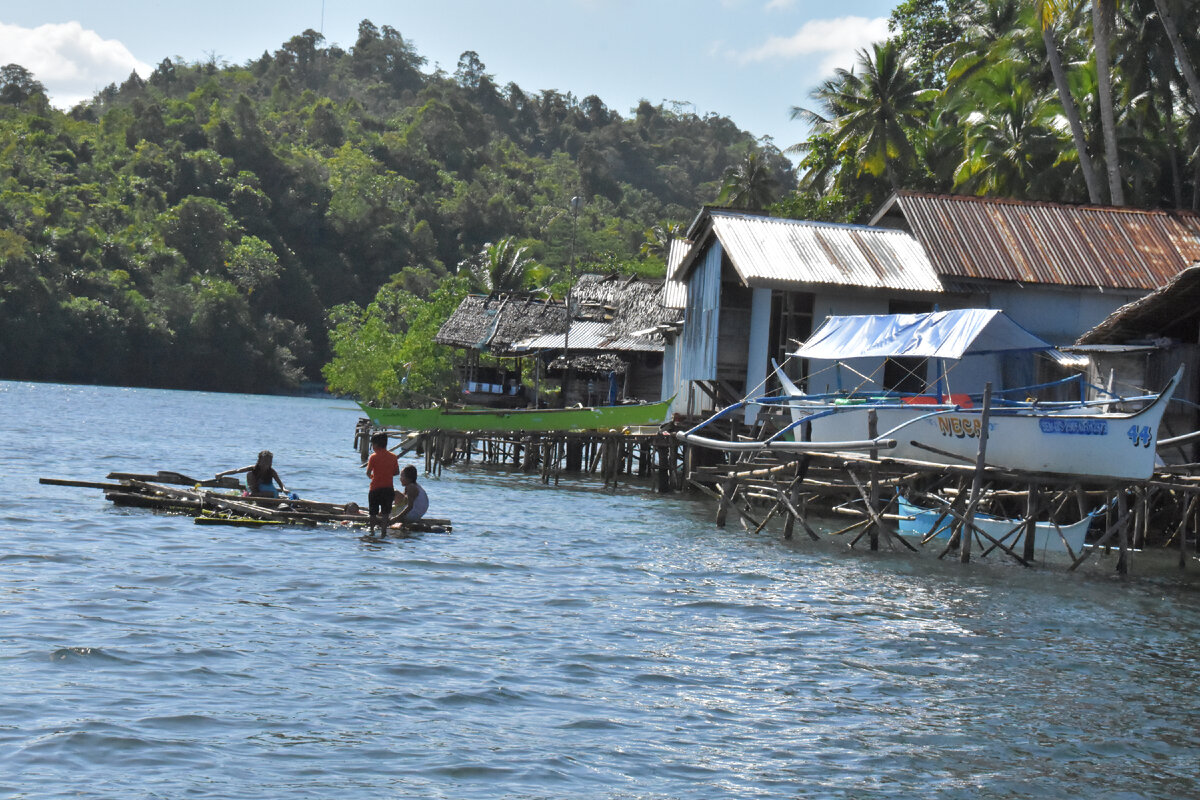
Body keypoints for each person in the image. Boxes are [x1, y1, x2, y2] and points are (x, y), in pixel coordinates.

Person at [365, 433, 400, 535]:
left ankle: (372, 530)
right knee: (385, 513)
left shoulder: (373, 457)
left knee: (373, 513)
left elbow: (368, 473)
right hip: (388, 489)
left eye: (372, 444)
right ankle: (383, 532)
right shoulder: (393, 457)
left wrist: (373, 477)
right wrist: (387, 473)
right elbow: (397, 472)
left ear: (376, 444)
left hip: (375, 488)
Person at [216, 450, 285, 497]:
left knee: (273, 493)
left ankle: (255, 495)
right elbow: (237, 470)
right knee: (250, 474)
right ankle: (253, 493)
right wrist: (221, 474)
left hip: (266, 490)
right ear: (259, 461)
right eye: (264, 461)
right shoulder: (253, 468)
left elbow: (279, 483)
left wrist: (284, 489)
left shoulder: (271, 471)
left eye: (269, 462)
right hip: (254, 488)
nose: (266, 464)